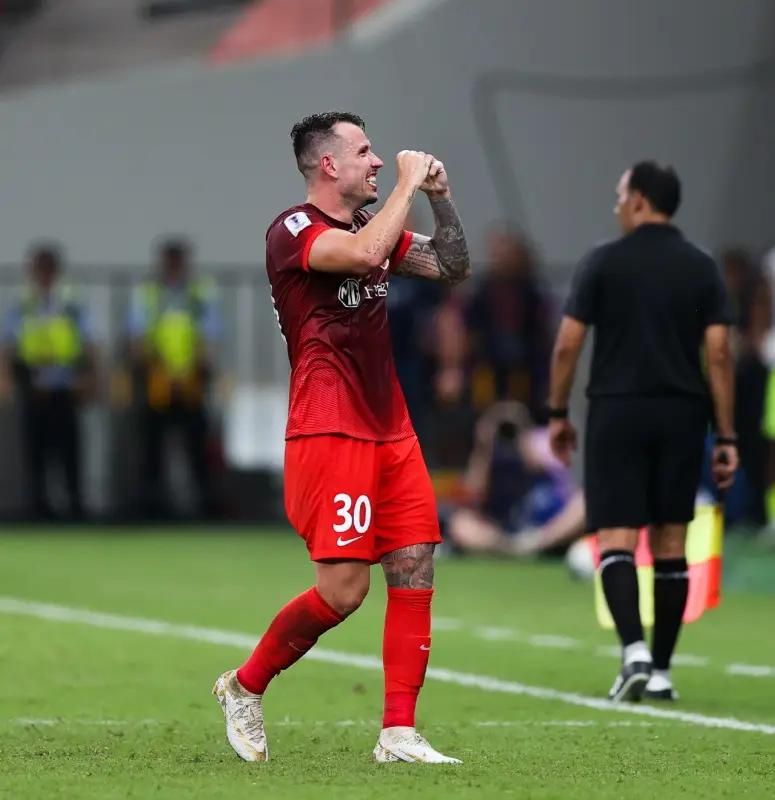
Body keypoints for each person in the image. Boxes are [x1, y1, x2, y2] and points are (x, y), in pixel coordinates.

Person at [212, 111, 470, 764]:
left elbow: (451, 265)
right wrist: (408, 183)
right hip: (329, 429)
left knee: (413, 564)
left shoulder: (370, 227)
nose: (378, 161)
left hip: (390, 427)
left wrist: (440, 198)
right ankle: (244, 686)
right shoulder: (294, 230)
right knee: (344, 592)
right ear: (328, 164)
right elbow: (362, 257)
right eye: (364, 151)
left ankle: (398, 733)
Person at [547, 162, 738, 703]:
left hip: (618, 411)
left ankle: (632, 651)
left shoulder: (603, 261)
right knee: (671, 542)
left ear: (638, 201)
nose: (616, 206)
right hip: (683, 413)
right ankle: (662, 671)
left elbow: (567, 344)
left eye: (619, 195)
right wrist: (726, 436)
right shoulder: (701, 266)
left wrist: (556, 411)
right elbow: (719, 354)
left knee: (617, 538)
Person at [0, 243, 96, 518]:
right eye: (39, 268)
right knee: (35, 450)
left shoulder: (71, 302)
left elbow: (89, 342)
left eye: (48, 268)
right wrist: (5, 379)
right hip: (33, 386)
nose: (44, 274)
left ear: (56, 270)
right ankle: (38, 506)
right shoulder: (23, 303)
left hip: (66, 386)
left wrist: (89, 377)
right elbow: (8, 345)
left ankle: (75, 505)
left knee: (70, 450)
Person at [128, 239, 217, 518]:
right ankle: (152, 506)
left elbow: (209, 336)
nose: (173, 266)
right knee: (152, 448)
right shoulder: (149, 293)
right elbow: (139, 337)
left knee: (196, 447)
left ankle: (203, 505)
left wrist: (194, 371)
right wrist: (158, 370)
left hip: (192, 382)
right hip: (157, 382)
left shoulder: (198, 293)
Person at [445, 402, 585, 558]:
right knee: (460, 523)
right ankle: (511, 549)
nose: (507, 435)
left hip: (548, 524)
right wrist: (484, 447)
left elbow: (554, 470)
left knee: (584, 503)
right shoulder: (488, 453)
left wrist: (522, 443)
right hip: (509, 530)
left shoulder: (542, 439)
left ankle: (537, 545)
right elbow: (472, 492)